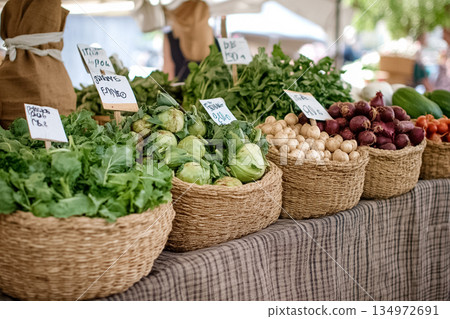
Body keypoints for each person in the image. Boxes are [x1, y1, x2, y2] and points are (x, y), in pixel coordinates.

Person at [162, 0, 216, 82]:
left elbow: (168, 72)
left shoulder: (171, 36)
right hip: (211, 91)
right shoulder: (212, 36)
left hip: (182, 91)